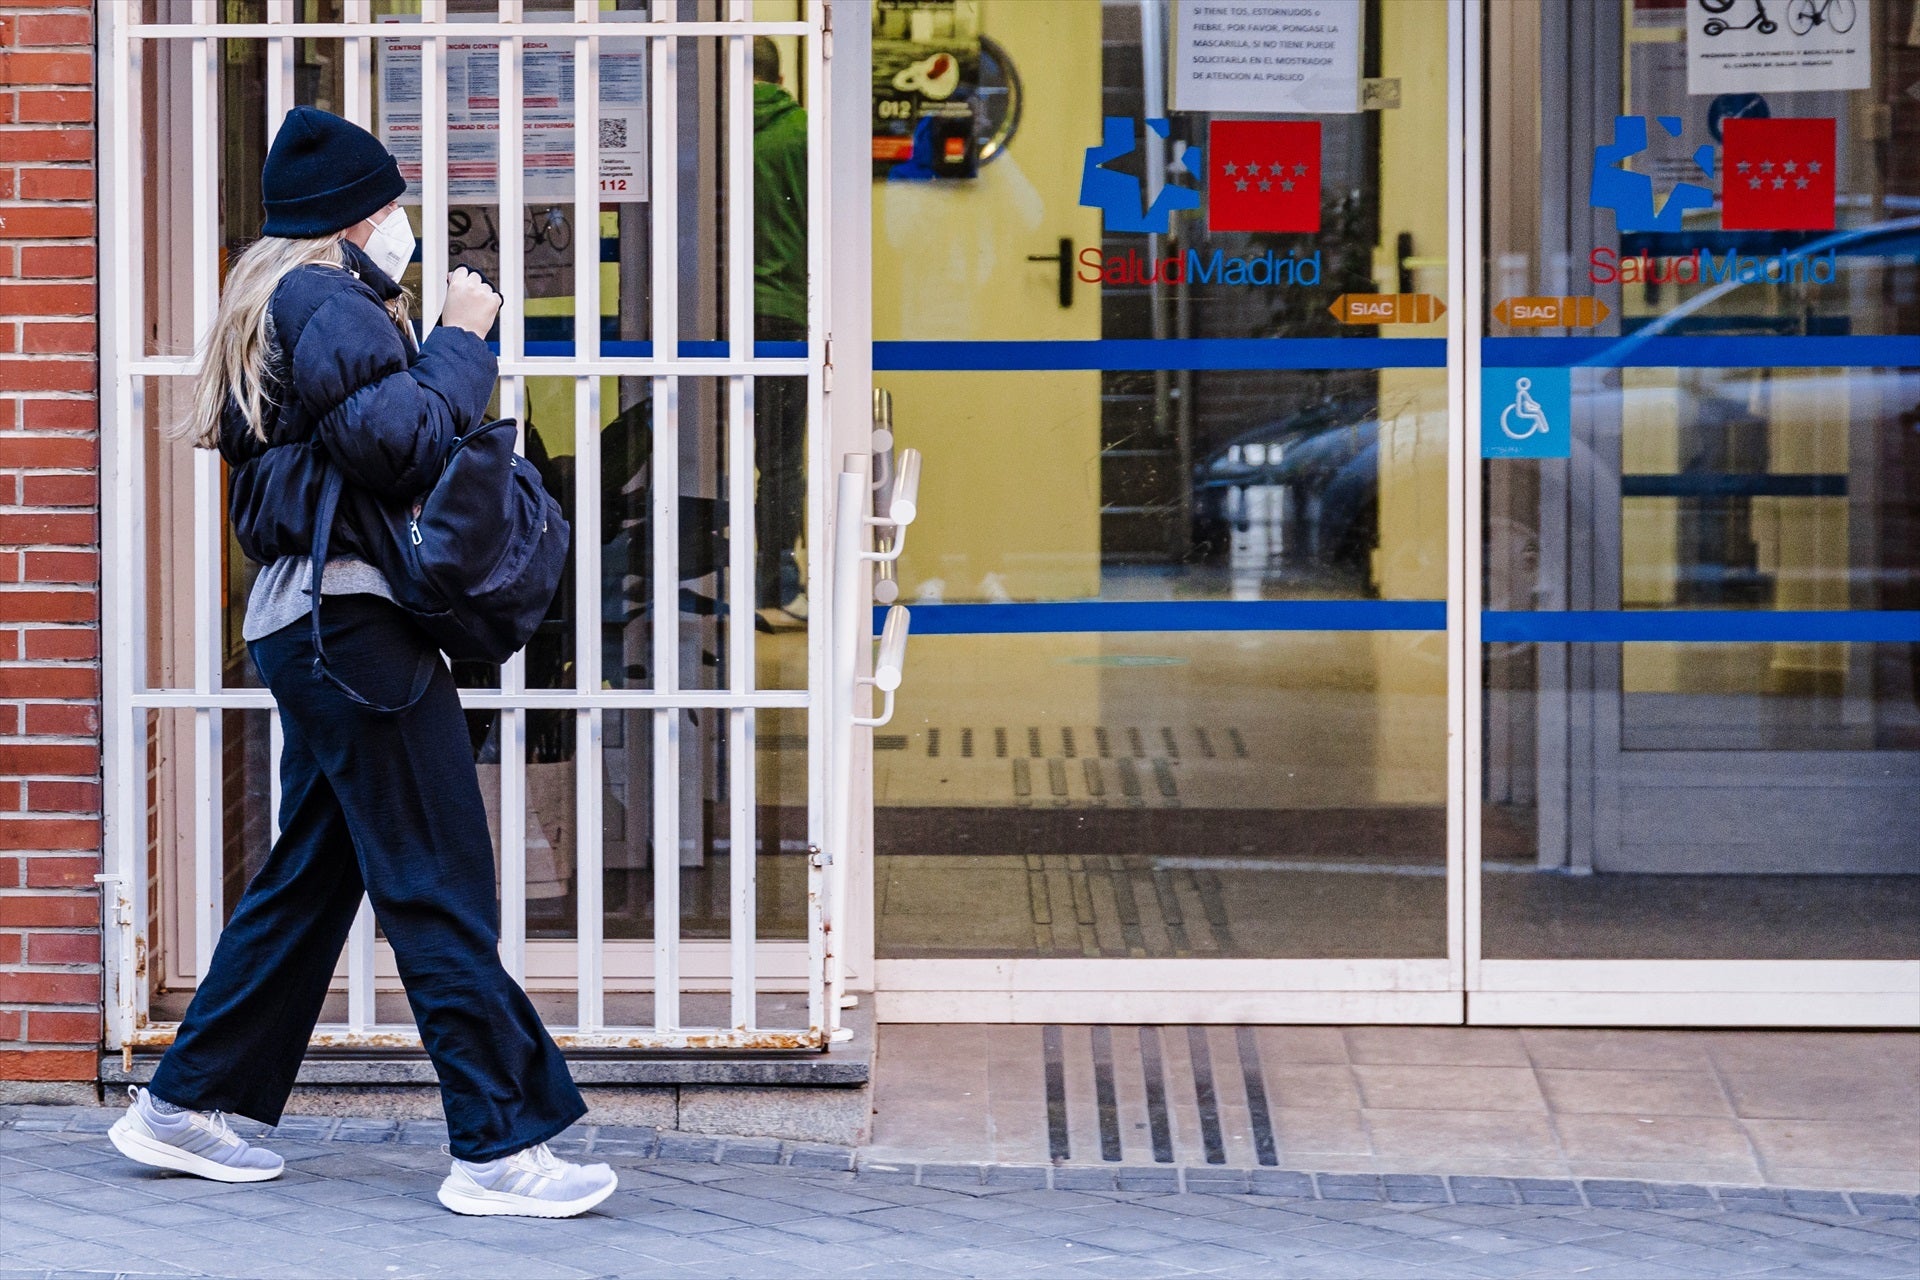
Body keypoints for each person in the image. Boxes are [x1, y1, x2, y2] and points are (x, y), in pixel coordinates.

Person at [107, 107, 616, 1220]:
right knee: (438, 878)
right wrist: (463, 333)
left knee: (313, 875)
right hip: (356, 631)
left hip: (315, 626)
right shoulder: (318, 298)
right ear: (349, 218)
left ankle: (183, 1102)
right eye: (390, 206)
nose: (404, 224)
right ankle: (495, 1145)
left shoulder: (297, 304)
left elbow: (336, 460)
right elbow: (408, 443)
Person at [752, 36, 809, 627]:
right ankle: (775, 588)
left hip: (707, 325)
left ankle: (689, 582)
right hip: (786, 314)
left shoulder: (707, 131)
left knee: (694, 455)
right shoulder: (804, 135)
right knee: (781, 460)